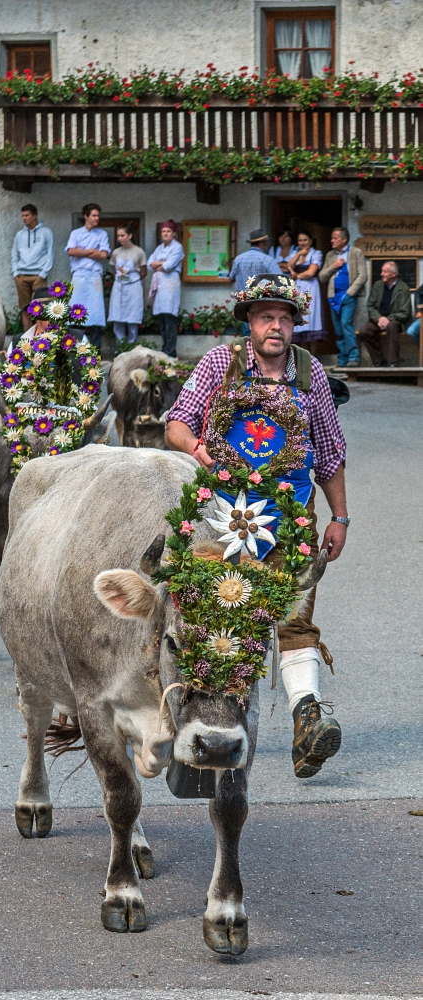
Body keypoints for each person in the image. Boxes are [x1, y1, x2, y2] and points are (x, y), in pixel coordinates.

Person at [165, 272, 348, 780]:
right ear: (250, 321)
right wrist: (199, 451)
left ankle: (307, 720)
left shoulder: (310, 377)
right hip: (221, 512)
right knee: (214, 614)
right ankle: (200, 726)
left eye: (285, 318)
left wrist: (340, 517)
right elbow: (177, 421)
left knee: (294, 615)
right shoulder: (220, 364)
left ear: (294, 326)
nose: (276, 326)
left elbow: (330, 456)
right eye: (267, 317)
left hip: (291, 516)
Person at [319, 226, 367, 368]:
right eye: (332, 238)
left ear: (344, 239)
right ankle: (342, 359)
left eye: (335, 238)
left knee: (346, 324)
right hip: (333, 297)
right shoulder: (330, 256)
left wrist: (350, 293)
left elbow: (362, 275)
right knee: (338, 330)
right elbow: (322, 277)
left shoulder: (356, 253)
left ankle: (354, 357)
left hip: (348, 297)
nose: (331, 240)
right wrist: (333, 266)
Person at [65, 203, 110, 349]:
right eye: (94, 215)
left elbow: (103, 254)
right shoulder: (76, 234)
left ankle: (96, 350)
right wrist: (91, 251)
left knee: (95, 313)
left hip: (94, 276)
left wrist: (82, 252)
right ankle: (77, 348)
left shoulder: (102, 234)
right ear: (86, 216)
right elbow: (71, 251)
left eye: (98, 215)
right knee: (77, 312)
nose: (97, 218)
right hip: (79, 276)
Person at [358, 260, 412, 367]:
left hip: (395, 321)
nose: (381, 274)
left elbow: (405, 312)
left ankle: (394, 362)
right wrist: (379, 318)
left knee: (392, 326)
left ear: (394, 274)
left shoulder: (403, 288)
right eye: (382, 271)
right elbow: (370, 306)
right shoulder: (378, 286)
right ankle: (379, 361)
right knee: (364, 331)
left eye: (385, 272)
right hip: (378, 320)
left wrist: (388, 319)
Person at [11, 204, 55, 332]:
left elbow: (50, 254)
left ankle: (40, 339)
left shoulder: (46, 232)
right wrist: (15, 274)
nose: (24, 218)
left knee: (40, 308)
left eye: (27, 215)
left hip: (38, 276)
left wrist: (43, 274)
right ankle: (28, 339)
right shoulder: (19, 235)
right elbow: (14, 254)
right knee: (25, 308)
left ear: (34, 216)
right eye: (22, 216)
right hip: (22, 276)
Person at [147, 220, 184, 357]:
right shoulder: (159, 248)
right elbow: (149, 264)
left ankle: (171, 351)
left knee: (169, 318)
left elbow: (168, 266)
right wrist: (160, 263)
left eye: (168, 231)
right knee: (161, 319)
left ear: (173, 233)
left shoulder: (177, 247)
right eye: (163, 231)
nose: (165, 233)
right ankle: (164, 348)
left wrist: (160, 264)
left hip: (170, 285)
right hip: (160, 285)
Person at [284, 230, 325, 349]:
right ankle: (301, 357)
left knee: (311, 319)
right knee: (299, 318)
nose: (302, 242)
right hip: (297, 289)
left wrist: (296, 275)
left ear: (311, 241)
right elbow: (289, 266)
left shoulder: (316, 254)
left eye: (305, 240)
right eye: (300, 240)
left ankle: (312, 356)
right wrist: (299, 254)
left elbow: (311, 272)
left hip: (311, 288)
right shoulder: (295, 253)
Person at [107, 223, 147, 346]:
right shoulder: (116, 252)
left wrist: (131, 280)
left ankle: (131, 348)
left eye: (122, 235)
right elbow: (114, 270)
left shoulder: (139, 252)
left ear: (130, 235)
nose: (120, 238)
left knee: (132, 319)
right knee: (117, 318)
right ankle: (120, 348)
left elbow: (144, 271)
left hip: (133, 287)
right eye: (118, 236)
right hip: (119, 287)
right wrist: (121, 279)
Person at [229, 229, 275, 334]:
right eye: (266, 242)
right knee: (262, 331)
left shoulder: (238, 259)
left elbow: (231, 277)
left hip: (244, 300)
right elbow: (280, 279)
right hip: (262, 301)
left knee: (247, 330)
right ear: (262, 243)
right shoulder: (267, 260)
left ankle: (247, 350)